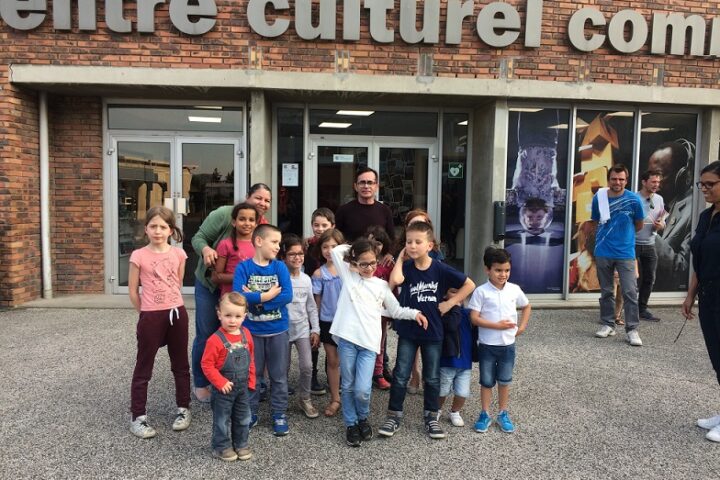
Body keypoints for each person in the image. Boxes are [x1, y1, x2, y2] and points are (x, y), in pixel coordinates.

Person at [379, 221, 475, 440]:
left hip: (433, 332)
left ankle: (431, 417)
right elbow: (394, 282)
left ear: (430, 245)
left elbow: (469, 284)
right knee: (400, 375)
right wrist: (400, 258)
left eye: (417, 242)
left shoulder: (440, 269)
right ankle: (393, 416)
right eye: (408, 242)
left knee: (432, 377)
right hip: (408, 330)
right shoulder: (406, 268)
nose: (412, 245)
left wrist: (450, 303)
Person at [330, 239, 427, 447]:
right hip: (347, 340)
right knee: (348, 385)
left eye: (372, 262)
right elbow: (337, 250)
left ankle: (363, 417)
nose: (369, 268)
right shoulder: (349, 276)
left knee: (363, 389)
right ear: (354, 263)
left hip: (369, 344)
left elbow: (395, 310)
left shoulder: (381, 285)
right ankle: (351, 423)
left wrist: (414, 313)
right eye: (363, 264)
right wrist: (358, 250)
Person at [191, 184, 272, 404]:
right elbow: (198, 237)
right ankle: (201, 382)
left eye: (267, 200)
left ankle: (233, 379)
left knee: (240, 335)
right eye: (258, 198)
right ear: (247, 197)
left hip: (241, 293)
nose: (262, 203)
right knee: (207, 332)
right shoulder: (225, 214)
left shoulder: (262, 226)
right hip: (210, 284)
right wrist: (206, 249)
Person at [128, 206, 191, 439]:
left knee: (180, 364)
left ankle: (183, 408)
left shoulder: (179, 254)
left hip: (176, 312)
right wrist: (146, 312)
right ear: (146, 229)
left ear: (171, 230)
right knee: (144, 365)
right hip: (151, 315)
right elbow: (133, 290)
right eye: (153, 226)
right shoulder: (139, 256)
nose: (157, 231)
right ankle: (138, 416)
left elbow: (177, 282)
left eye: (163, 227)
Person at [232, 224, 293, 436]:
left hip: (278, 331)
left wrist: (257, 304)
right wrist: (266, 296)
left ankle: (279, 413)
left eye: (279, 243)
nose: (277, 247)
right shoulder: (243, 268)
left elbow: (287, 295)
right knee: (253, 375)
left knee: (279, 376)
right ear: (259, 241)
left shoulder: (280, 268)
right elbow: (238, 296)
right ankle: (251, 412)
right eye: (274, 242)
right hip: (251, 333)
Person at [469, 247, 531, 434]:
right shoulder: (481, 292)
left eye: (507, 270)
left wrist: (522, 327)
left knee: (504, 381)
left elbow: (527, 306)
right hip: (487, 345)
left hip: (507, 346)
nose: (503, 274)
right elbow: (474, 318)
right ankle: (485, 413)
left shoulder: (514, 289)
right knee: (486, 381)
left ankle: (503, 413)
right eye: (498, 270)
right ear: (487, 270)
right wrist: (497, 326)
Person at [682, 160, 720, 443]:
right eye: (701, 184)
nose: (704, 189)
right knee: (717, 357)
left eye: (710, 184)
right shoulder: (707, 216)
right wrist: (691, 294)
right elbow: (700, 258)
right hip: (708, 296)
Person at [592, 164, 645, 347]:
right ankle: (608, 324)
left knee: (630, 291)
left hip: (625, 252)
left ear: (626, 181)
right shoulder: (599, 198)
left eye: (621, 179)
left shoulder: (633, 200)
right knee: (606, 291)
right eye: (614, 179)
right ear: (608, 180)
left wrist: (624, 236)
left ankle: (632, 330)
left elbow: (639, 224)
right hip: (603, 251)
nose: (617, 182)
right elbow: (595, 221)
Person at [201, 292, 256, 461]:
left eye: (237, 316)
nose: (232, 320)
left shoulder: (246, 335)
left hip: (242, 387)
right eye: (228, 315)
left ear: (244, 316)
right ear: (219, 314)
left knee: (243, 417)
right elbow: (206, 365)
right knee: (222, 419)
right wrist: (220, 382)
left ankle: (241, 444)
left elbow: (251, 358)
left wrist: (252, 380)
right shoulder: (215, 340)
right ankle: (221, 447)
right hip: (223, 390)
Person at [281, 233, 321, 419]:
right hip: (282, 330)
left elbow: (311, 306)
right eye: (292, 254)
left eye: (300, 253)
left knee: (307, 366)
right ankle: (280, 400)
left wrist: (315, 329)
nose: (297, 257)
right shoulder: (280, 278)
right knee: (283, 367)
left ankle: (305, 398)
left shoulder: (306, 279)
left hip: (302, 330)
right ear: (283, 257)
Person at [648, 141, 694, 289]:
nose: (653, 182)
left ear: (681, 175)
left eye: (659, 175)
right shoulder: (656, 202)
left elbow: (682, 269)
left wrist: (647, 233)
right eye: (650, 175)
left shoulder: (694, 210)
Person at [311, 229, 345, 417]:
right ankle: (335, 399)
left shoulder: (350, 269)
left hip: (347, 321)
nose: (330, 250)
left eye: (334, 246)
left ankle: (350, 396)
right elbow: (316, 302)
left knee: (349, 360)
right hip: (328, 322)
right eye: (325, 246)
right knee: (333, 360)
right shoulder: (319, 273)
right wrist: (315, 328)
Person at [303, 207, 335, 395]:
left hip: (330, 301)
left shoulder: (336, 247)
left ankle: (331, 374)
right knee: (313, 338)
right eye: (316, 225)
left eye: (324, 225)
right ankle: (312, 375)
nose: (320, 229)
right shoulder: (308, 247)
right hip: (311, 296)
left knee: (332, 340)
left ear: (333, 226)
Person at [365, 225, 394, 390]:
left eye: (379, 243)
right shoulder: (361, 262)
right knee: (363, 342)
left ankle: (378, 373)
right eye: (371, 242)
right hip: (364, 311)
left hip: (381, 311)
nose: (375, 246)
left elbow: (393, 287)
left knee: (380, 343)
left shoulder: (388, 264)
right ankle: (364, 373)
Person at [635, 170, 666, 321]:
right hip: (632, 244)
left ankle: (642, 309)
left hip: (650, 244)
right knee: (629, 279)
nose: (656, 185)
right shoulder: (634, 198)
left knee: (649, 278)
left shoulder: (659, 199)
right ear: (644, 182)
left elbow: (663, 219)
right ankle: (624, 309)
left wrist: (661, 225)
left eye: (658, 182)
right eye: (653, 182)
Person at [335, 167, 395, 243]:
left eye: (370, 183)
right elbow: (336, 239)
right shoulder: (344, 211)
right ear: (355, 186)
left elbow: (391, 240)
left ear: (376, 186)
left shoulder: (385, 211)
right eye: (362, 182)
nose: (366, 186)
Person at [211, 203, 258, 297]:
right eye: (242, 219)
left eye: (251, 220)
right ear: (234, 222)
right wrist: (241, 277)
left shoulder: (260, 244)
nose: (247, 223)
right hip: (231, 299)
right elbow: (215, 277)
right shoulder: (225, 244)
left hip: (255, 297)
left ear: (256, 224)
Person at [438, 306, 474, 428]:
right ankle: (436, 409)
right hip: (447, 360)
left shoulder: (469, 313)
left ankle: (455, 412)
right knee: (442, 390)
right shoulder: (443, 312)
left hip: (465, 361)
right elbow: (451, 325)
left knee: (463, 392)